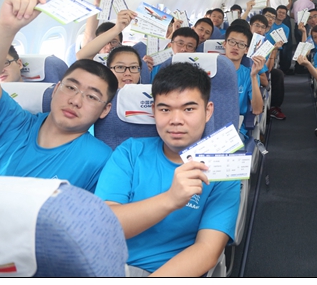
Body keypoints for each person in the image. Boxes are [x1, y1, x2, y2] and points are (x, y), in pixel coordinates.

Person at [94, 62, 240, 276]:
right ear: (153, 111)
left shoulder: (222, 171)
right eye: (165, 109)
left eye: (189, 109)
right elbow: (105, 225)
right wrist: (171, 199)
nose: (176, 121)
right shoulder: (130, 153)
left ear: (208, 111)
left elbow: (207, 249)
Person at [0, 0, 117, 192]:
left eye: (91, 96)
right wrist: (6, 27)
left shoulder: (101, 159)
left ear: (105, 109)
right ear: (55, 89)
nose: (75, 101)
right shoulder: (14, 121)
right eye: (71, 87)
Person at [223, 24, 266, 140]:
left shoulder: (249, 74)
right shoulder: (210, 72)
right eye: (232, 42)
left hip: (234, 129)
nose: (235, 47)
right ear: (224, 44)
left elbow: (257, 109)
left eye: (241, 44)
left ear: (247, 50)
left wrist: (254, 76)